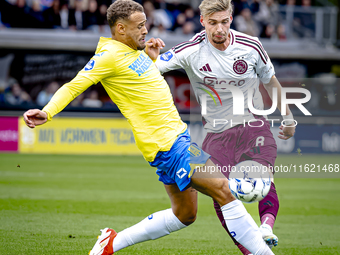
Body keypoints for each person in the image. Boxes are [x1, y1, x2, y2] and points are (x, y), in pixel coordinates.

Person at [23, 1, 274, 255]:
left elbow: (142, 83)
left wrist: (151, 59)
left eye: (146, 24)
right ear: (120, 28)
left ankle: (111, 243)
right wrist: (48, 111)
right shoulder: (108, 56)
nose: (146, 30)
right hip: (169, 145)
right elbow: (74, 85)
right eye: (140, 26)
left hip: (174, 140)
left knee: (185, 214)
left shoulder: (134, 52)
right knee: (223, 190)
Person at [155, 0, 296, 254]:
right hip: (216, 134)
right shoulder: (190, 50)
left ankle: (265, 226)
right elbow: (151, 70)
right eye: (212, 23)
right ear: (202, 22)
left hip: (253, 125)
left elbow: (271, 82)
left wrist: (288, 117)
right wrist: (147, 54)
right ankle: (251, 248)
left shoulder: (251, 46)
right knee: (220, 194)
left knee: (262, 176)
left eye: (224, 22)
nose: (219, 29)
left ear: (231, 18)